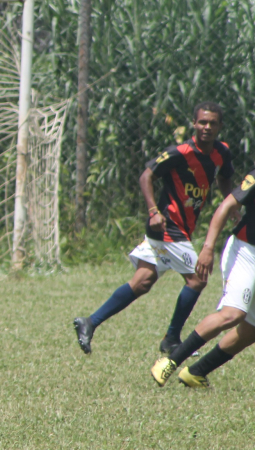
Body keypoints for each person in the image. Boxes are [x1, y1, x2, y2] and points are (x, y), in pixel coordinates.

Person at [74, 102, 233, 355]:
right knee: (197, 278)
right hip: (168, 226)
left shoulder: (221, 152)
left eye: (212, 123)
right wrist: (153, 211)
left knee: (142, 281)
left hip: (180, 228)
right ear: (194, 123)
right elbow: (146, 176)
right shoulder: (179, 152)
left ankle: (90, 322)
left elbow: (224, 178)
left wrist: (231, 204)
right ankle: (172, 339)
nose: (207, 127)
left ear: (220, 126)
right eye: (202, 122)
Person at [151, 168, 255, 388]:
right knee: (232, 314)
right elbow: (226, 206)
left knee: (251, 329)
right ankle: (169, 361)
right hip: (246, 251)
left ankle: (196, 372)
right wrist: (207, 248)